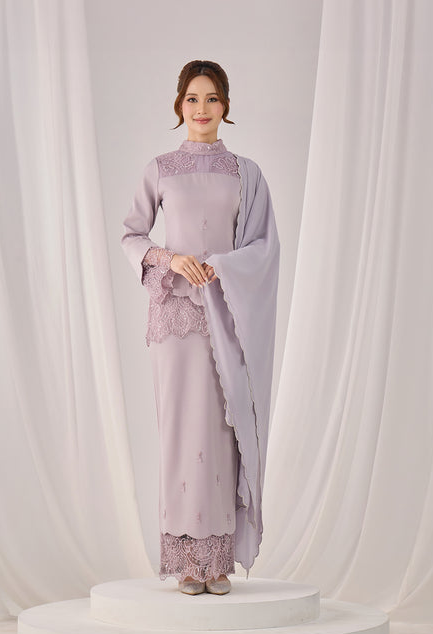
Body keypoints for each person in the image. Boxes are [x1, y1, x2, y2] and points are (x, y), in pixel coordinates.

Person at [121, 60, 279, 596]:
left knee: (223, 431)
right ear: (179, 105)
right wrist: (171, 258)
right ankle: (188, 561)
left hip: (226, 317)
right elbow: (131, 235)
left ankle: (218, 562)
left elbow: (264, 246)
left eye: (212, 99)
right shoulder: (160, 169)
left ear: (225, 106)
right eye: (193, 98)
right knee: (180, 431)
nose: (202, 108)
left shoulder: (246, 174)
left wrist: (222, 266)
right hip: (175, 321)